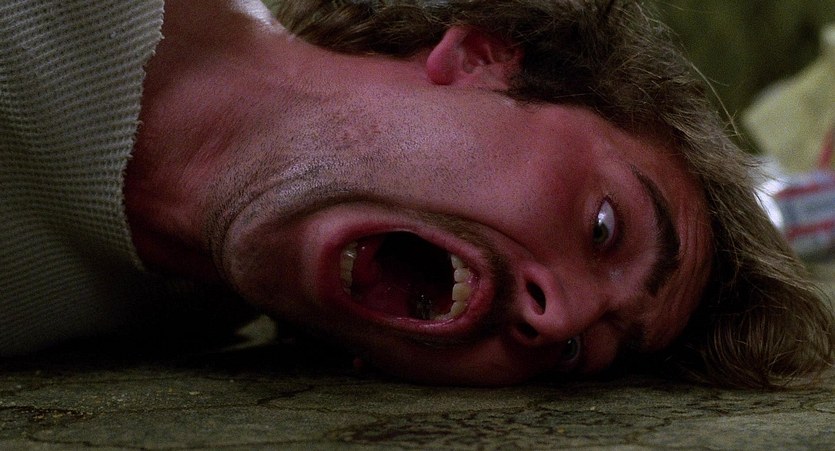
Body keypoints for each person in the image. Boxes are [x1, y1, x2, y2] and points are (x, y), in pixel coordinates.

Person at [1, 0, 832, 388]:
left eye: (580, 354)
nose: (558, 321)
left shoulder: (189, 318)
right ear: (479, 57)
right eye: (604, 225)